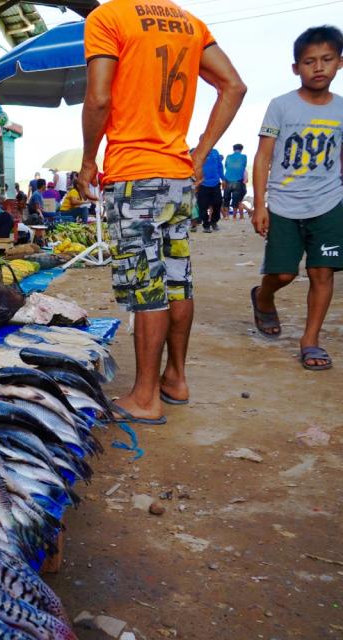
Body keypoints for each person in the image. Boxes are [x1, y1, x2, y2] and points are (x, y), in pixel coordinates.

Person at [77, 0, 246, 422]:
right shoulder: (190, 24)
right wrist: (202, 151)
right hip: (175, 176)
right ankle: (175, 378)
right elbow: (234, 86)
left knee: (145, 286)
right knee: (176, 281)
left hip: (134, 176)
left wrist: (87, 160)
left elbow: (98, 98)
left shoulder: (108, 17)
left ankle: (145, 397)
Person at [250, 25, 343, 371]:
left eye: (326, 60)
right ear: (296, 68)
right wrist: (260, 204)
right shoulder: (281, 106)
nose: (318, 67)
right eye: (309, 61)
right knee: (284, 274)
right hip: (286, 204)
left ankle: (311, 341)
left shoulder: (341, 110)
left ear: (339, 63)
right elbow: (263, 157)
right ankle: (263, 296)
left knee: (323, 272)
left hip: (330, 202)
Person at [197, 144, 224, 231]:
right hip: (203, 184)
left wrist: (223, 178)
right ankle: (206, 225)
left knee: (218, 203)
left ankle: (214, 222)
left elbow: (220, 166)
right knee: (203, 206)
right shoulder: (198, 152)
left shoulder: (215, 152)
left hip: (216, 183)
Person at [222, 143, 248, 219]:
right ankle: (234, 216)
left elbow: (226, 166)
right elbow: (244, 166)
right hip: (238, 181)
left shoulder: (229, 156)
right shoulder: (244, 156)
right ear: (241, 149)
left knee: (226, 198)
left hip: (228, 180)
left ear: (233, 149)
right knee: (236, 199)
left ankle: (227, 215)